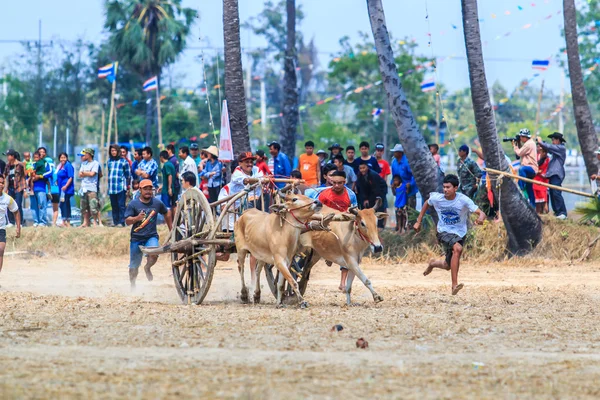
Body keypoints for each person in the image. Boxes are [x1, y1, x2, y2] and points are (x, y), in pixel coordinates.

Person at [414, 174, 486, 295]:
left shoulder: (463, 200)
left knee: (447, 265)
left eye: (448, 187)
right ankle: (454, 285)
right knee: (457, 249)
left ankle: (432, 263)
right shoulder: (438, 198)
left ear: (455, 188)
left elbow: (481, 213)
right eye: (444, 187)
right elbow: (427, 203)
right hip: (443, 231)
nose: (445, 190)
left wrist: (480, 219)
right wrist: (418, 221)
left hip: (459, 233)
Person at [306, 170, 358, 291]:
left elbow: (355, 212)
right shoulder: (324, 194)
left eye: (339, 183)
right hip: (325, 226)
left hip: (343, 226)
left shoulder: (351, 195)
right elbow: (316, 210)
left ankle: (343, 283)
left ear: (345, 182)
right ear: (330, 181)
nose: (336, 186)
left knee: (349, 251)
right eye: (334, 183)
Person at [124, 179, 172, 289]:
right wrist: (136, 218)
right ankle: (132, 285)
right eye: (145, 189)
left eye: (150, 189)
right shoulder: (133, 204)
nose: (148, 191)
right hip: (136, 238)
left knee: (154, 252)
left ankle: (147, 267)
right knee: (134, 267)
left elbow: (167, 213)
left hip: (151, 236)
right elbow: (127, 220)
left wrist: (171, 230)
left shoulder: (157, 203)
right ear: (140, 190)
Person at [536, 132, 567, 219]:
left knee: (556, 193)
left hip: (557, 174)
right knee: (553, 193)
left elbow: (549, 147)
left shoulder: (561, 148)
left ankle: (562, 212)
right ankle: (557, 213)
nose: (552, 141)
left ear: (558, 140)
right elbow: (548, 149)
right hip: (552, 175)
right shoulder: (556, 150)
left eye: (553, 139)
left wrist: (540, 141)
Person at [0, 174, 21, 282]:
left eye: (2, 183)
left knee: (1, 250)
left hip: (1, 229)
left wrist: (18, 228)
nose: (1, 185)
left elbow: (16, 211)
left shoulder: (8, 199)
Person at [513, 128, 538, 207]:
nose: (520, 138)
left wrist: (515, 146)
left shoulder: (529, 144)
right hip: (530, 169)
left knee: (521, 169)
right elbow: (518, 156)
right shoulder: (529, 143)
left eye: (521, 137)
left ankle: (520, 187)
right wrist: (518, 144)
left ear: (525, 137)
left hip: (530, 168)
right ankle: (533, 206)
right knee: (530, 189)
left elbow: (519, 153)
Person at [107, 144, 131, 227]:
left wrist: (127, 187)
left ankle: (121, 222)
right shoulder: (109, 161)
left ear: (118, 151)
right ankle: (115, 221)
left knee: (121, 205)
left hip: (120, 187)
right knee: (114, 205)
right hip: (111, 188)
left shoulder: (124, 162)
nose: (113, 152)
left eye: (114, 150)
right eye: (111, 151)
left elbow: (128, 175)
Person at [390, 144, 418, 209]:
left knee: (410, 211)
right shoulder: (394, 162)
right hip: (400, 190)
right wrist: (392, 184)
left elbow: (414, 175)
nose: (394, 153)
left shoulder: (408, 162)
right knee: (399, 210)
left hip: (409, 191)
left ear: (400, 153)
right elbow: (394, 176)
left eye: (395, 152)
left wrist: (410, 184)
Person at [78, 148, 100, 228]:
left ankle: (94, 222)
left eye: (86, 153)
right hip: (84, 188)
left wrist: (84, 173)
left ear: (90, 154)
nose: (85, 155)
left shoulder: (95, 163)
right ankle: (85, 223)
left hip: (92, 188)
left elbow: (92, 174)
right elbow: (79, 174)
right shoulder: (83, 164)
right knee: (84, 207)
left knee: (93, 207)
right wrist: (86, 173)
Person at [3, 149, 25, 226]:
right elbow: (5, 176)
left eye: (8, 155)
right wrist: (5, 189)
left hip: (19, 188)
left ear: (12, 156)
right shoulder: (7, 165)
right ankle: (11, 222)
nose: (7, 157)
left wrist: (25, 189)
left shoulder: (20, 165)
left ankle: (20, 222)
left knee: (18, 205)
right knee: (9, 204)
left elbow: (24, 177)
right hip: (10, 188)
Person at [29, 151, 50, 227]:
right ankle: (36, 221)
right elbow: (28, 175)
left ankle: (42, 222)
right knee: (34, 206)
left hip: (41, 188)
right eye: (35, 157)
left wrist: (39, 176)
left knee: (42, 205)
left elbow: (49, 173)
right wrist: (32, 176)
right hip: (32, 189)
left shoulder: (45, 163)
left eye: (37, 157)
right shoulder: (32, 164)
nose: (36, 159)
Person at [159, 151, 178, 222]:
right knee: (172, 206)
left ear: (161, 157)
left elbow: (169, 175)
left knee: (166, 208)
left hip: (166, 190)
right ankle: (173, 222)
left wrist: (169, 188)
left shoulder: (166, 165)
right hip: (170, 188)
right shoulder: (171, 164)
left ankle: (169, 223)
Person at [56, 153, 74, 227]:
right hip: (61, 189)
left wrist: (66, 186)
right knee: (65, 204)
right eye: (61, 157)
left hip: (66, 189)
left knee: (64, 204)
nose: (62, 159)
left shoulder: (68, 165)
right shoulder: (60, 166)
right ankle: (66, 221)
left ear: (66, 158)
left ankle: (65, 221)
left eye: (64, 157)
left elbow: (70, 177)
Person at [533, 145, 550, 215]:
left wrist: (540, 172)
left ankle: (546, 213)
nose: (544, 154)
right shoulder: (536, 157)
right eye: (543, 152)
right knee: (537, 200)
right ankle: (538, 214)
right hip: (535, 180)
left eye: (545, 152)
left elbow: (546, 172)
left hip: (543, 182)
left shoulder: (548, 160)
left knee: (544, 200)